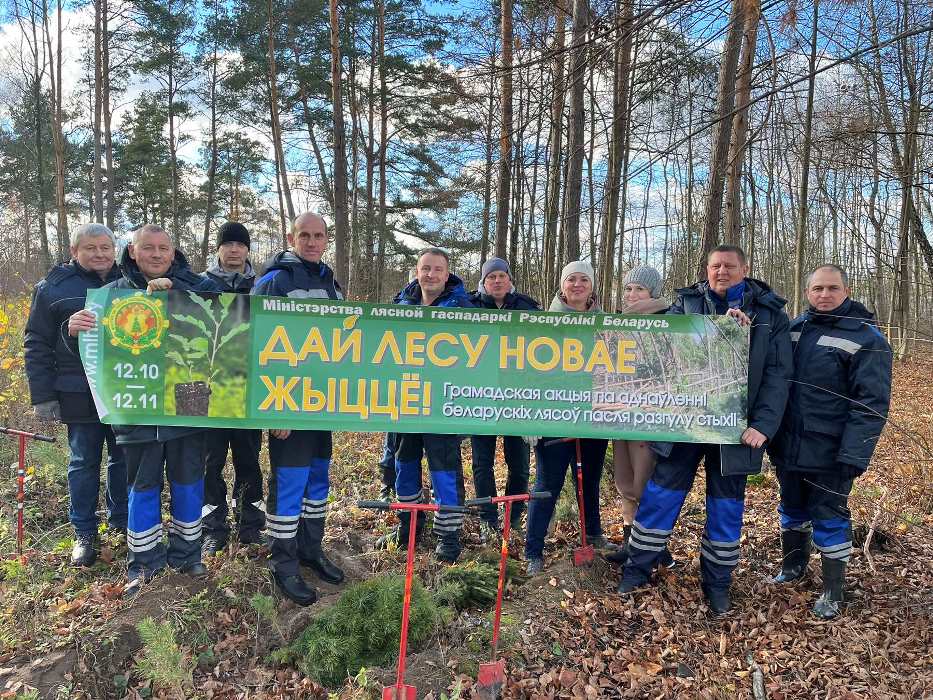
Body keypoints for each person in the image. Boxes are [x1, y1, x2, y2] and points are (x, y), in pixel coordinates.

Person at [618, 245, 792, 615]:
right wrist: (718, 334)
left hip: (737, 429)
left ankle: (717, 584)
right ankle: (637, 570)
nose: (722, 272)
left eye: (730, 266)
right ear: (707, 269)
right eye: (715, 266)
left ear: (745, 268)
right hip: (687, 422)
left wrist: (763, 425)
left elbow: (779, 374)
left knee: (725, 507)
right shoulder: (686, 304)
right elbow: (668, 356)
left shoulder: (770, 313)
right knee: (660, 496)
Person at [69, 224, 221, 597]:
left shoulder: (198, 290)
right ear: (132, 252)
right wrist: (71, 330)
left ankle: (187, 554)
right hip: (136, 405)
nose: (156, 254)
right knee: (142, 485)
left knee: (189, 483)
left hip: (190, 402)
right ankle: (144, 562)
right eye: (148, 248)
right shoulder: (109, 296)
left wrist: (180, 296)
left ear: (173, 253)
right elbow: (92, 355)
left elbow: (228, 325)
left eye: (163, 248)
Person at [767, 264, 891, 619]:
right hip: (789, 445)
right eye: (817, 288)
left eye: (832, 288)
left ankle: (833, 590)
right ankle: (793, 567)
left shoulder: (867, 338)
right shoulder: (792, 329)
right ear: (807, 292)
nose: (824, 295)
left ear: (846, 291)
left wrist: (854, 453)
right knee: (791, 508)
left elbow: (871, 403)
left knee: (829, 515)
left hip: (832, 451)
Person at [252, 212, 345, 606]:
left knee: (317, 483)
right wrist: (273, 409)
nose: (311, 241)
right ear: (291, 238)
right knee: (289, 486)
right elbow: (254, 344)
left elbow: (346, 344)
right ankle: (283, 563)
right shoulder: (272, 282)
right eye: (304, 235)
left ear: (327, 240)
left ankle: (310, 549)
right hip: (286, 405)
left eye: (318, 235)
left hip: (322, 406)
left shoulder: (331, 283)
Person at [25, 222, 127, 566]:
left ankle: (121, 521)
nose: (99, 254)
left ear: (114, 250)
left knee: (122, 459)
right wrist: (43, 397)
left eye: (105, 248)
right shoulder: (53, 287)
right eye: (90, 248)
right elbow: (36, 342)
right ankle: (84, 531)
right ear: (74, 251)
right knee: (84, 461)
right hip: (78, 391)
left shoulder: (130, 281)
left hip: (124, 389)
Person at [382, 248, 474, 562]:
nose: (431, 275)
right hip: (407, 402)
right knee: (404, 467)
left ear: (447, 274)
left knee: (444, 472)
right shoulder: (400, 305)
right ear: (417, 272)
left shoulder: (465, 308)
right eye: (425, 269)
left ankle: (448, 536)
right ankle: (408, 526)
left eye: (437, 269)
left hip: (444, 406)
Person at [524, 260, 615, 575]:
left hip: (594, 414)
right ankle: (532, 550)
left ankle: (593, 534)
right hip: (553, 415)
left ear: (592, 286)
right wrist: (530, 418)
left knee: (589, 479)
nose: (577, 285)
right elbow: (528, 374)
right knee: (548, 482)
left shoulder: (606, 324)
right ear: (562, 286)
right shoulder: (544, 324)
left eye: (584, 280)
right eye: (571, 280)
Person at [604, 265, 678, 568]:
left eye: (640, 289)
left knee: (645, 481)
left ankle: (656, 548)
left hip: (649, 415)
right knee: (625, 482)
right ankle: (631, 543)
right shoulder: (618, 324)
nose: (633, 295)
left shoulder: (667, 322)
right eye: (629, 289)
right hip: (620, 412)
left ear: (653, 293)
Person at [200, 222, 265, 554]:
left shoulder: (261, 286)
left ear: (247, 250)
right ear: (219, 249)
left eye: (241, 244)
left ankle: (250, 523)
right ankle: (213, 527)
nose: (235, 250)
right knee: (209, 463)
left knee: (248, 460)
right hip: (206, 387)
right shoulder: (199, 284)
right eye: (229, 244)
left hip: (249, 386)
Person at [467, 257, 539, 540]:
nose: (497, 281)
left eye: (501, 276)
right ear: (483, 282)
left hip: (517, 398)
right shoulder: (469, 307)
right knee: (482, 463)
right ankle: (487, 517)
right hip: (480, 397)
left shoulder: (528, 307)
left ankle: (515, 516)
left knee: (519, 464)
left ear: (510, 280)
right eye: (491, 277)